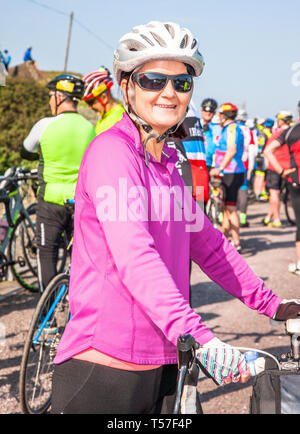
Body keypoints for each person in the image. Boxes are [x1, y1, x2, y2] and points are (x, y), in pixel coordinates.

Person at [50, 21, 300, 415]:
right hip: (107, 372)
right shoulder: (113, 154)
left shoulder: (166, 161)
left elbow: (211, 247)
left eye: (181, 83)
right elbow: (135, 258)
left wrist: (274, 305)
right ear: (126, 85)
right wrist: (201, 337)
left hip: (169, 362)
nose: (168, 92)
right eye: (152, 80)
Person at [21, 74, 96, 291]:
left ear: (59, 96)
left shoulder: (45, 124)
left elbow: (26, 150)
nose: (48, 100)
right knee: (79, 258)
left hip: (51, 200)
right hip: (79, 201)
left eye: (50, 96)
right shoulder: (89, 128)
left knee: (47, 253)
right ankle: (77, 312)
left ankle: (50, 317)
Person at [264, 118, 300, 275]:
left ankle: (299, 263)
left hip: (295, 179)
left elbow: (267, 151)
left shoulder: (291, 131)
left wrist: (281, 171)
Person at [209, 103, 245, 252]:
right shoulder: (233, 127)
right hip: (232, 171)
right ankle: (226, 238)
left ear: (223, 115)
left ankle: (236, 242)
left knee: (231, 208)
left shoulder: (231, 128)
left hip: (231, 172)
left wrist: (219, 168)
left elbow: (231, 150)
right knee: (225, 208)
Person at [262, 111, 293, 227]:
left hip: (274, 167)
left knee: (274, 193)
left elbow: (267, 151)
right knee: (278, 194)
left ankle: (276, 219)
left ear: (280, 121)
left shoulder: (276, 134)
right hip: (287, 167)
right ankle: (269, 216)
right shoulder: (293, 133)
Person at [82, 66, 125, 135]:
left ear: (104, 98)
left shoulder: (119, 118)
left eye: (90, 102)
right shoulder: (106, 117)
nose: (89, 107)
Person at [253, 118, 274, 201]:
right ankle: (259, 194)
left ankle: (258, 193)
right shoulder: (268, 134)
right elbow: (260, 146)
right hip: (263, 157)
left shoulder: (263, 133)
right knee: (260, 176)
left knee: (259, 175)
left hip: (261, 156)